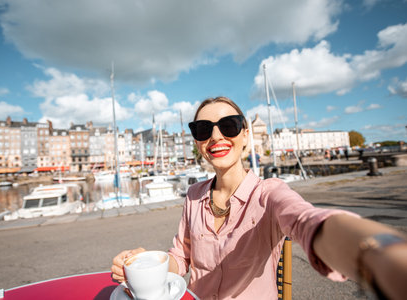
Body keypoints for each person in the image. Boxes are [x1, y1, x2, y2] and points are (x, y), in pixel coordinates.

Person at [111, 96, 407, 299]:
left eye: (228, 126)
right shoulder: (193, 195)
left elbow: (308, 222)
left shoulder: (269, 194)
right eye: (203, 130)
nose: (216, 137)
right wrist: (147, 263)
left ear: (246, 136)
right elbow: (181, 257)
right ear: (197, 142)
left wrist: (379, 254)